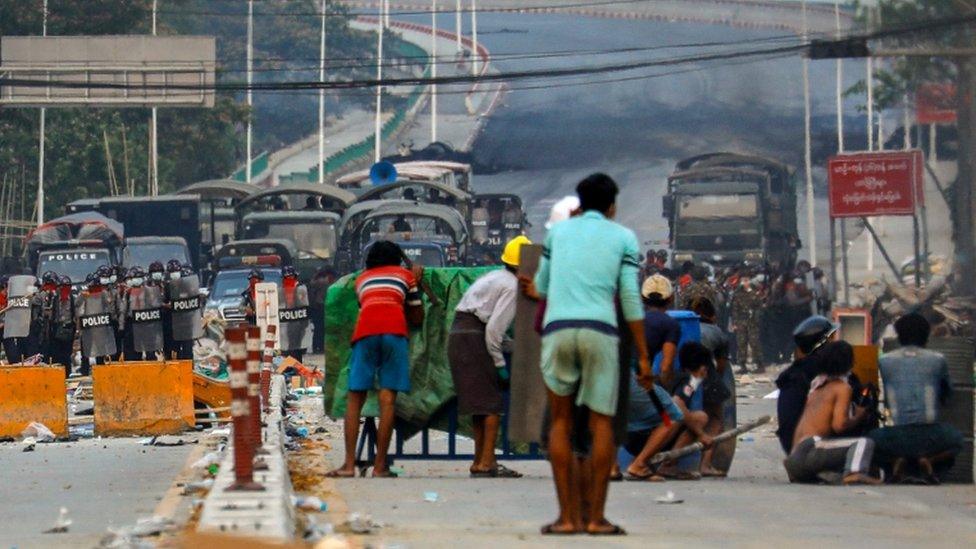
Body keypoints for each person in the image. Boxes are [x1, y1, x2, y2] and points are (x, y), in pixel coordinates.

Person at [532, 173, 652, 536]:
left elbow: (541, 286)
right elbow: (630, 300)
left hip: (558, 330)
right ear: (612, 206)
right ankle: (596, 519)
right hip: (601, 331)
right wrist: (643, 356)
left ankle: (567, 518)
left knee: (561, 422)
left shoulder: (557, 234)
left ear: (579, 204)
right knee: (600, 424)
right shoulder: (623, 238)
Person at [327, 241, 424, 478]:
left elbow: (366, 305)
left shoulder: (362, 279)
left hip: (365, 333)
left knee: (354, 399)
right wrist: (416, 282)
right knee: (387, 399)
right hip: (394, 333)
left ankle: (349, 465)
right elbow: (417, 317)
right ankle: (380, 466)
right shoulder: (405, 276)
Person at [448, 236, 530, 479]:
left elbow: (492, 328)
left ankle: (480, 460)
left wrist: (512, 346)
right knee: (492, 405)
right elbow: (494, 331)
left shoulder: (494, 276)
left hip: (460, 335)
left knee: (479, 405)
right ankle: (486, 462)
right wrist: (500, 364)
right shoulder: (513, 286)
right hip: (475, 339)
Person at [868, 313, 964, 483]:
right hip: (930, 436)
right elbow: (948, 393)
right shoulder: (937, 359)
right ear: (926, 336)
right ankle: (929, 461)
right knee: (957, 439)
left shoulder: (885, 361)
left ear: (899, 336)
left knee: (870, 440)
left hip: (897, 436)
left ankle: (897, 460)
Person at [783, 341, 880, 485]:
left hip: (792, 460)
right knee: (864, 443)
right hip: (810, 449)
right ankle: (854, 473)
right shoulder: (842, 388)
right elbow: (839, 425)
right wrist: (860, 415)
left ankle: (822, 474)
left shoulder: (817, 385)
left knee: (831, 448)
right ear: (849, 363)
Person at [775, 315, 837, 454]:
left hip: (792, 448)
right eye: (831, 338)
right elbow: (840, 422)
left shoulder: (795, 371)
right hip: (809, 449)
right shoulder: (823, 372)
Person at [641, 274, 680, 388]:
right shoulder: (670, 324)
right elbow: (665, 368)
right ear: (671, 298)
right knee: (669, 406)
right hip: (635, 381)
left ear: (642, 298)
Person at [124, 266, 165, 360]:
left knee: (150, 351)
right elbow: (123, 310)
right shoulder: (128, 293)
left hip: (147, 323)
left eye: (138, 277)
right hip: (133, 323)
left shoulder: (149, 291)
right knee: (134, 353)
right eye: (134, 278)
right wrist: (122, 326)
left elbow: (156, 305)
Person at [730, 275, 765, 374]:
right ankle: (742, 365)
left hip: (752, 322)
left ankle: (760, 364)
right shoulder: (738, 294)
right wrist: (735, 322)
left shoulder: (755, 293)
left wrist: (756, 315)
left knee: (755, 343)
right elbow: (735, 309)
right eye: (743, 281)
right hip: (741, 321)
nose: (745, 283)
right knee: (741, 343)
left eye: (746, 280)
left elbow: (760, 307)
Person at [278, 265, 310, 363]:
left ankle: (297, 370)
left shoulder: (300, 288)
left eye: (291, 277)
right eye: (286, 278)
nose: (289, 279)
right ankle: (289, 370)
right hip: (285, 323)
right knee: (286, 350)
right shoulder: (280, 289)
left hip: (298, 323)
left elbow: (304, 306)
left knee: (297, 349)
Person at [51, 275, 75, 375]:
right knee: (57, 353)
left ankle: (67, 373)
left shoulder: (73, 299)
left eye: (67, 286)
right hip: (57, 329)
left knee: (67, 354)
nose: (64, 289)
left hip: (69, 329)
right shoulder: (54, 299)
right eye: (62, 287)